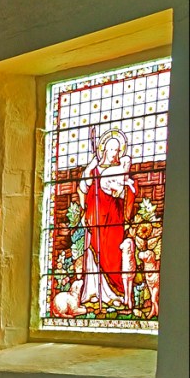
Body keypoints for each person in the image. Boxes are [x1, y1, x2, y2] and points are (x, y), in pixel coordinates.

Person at [76, 131, 136, 310]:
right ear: (104, 150)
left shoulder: (121, 171)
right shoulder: (95, 168)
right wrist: (89, 171)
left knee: (113, 252)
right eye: (110, 149)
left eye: (117, 150)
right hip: (96, 215)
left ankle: (114, 294)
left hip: (114, 218)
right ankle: (93, 292)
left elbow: (129, 191)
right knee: (93, 250)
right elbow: (83, 188)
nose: (114, 153)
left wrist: (122, 191)